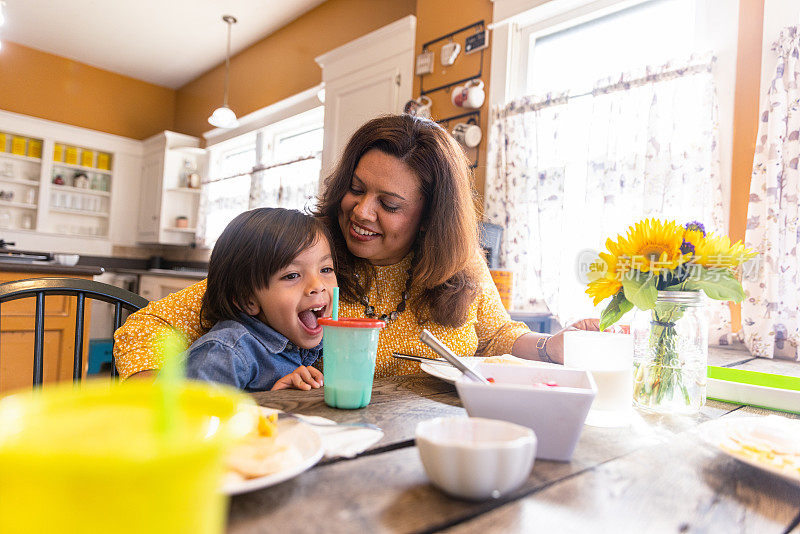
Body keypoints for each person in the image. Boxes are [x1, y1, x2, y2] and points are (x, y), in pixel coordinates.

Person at [114, 114, 597, 381]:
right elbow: (146, 327)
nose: (361, 212)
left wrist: (552, 347)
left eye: (389, 203)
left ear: (430, 218)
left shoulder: (457, 267)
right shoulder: (310, 258)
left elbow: (494, 336)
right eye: (356, 187)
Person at [183, 208, 335, 391]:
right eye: (292, 275)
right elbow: (191, 418)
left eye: (326, 269)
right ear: (248, 300)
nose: (318, 286)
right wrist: (267, 405)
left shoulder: (312, 340)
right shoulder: (224, 354)